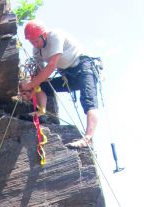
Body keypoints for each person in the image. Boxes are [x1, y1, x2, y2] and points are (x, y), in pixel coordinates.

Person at [20, 20, 99, 149]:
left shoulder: (55, 36)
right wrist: (32, 91)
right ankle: (41, 113)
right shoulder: (36, 50)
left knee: (88, 101)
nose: (34, 44)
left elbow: (51, 66)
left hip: (83, 67)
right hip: (67, 75)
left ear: (43, 35)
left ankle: (88, 138)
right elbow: (39, 74)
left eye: (36, 41)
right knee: (44, 86)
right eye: (31, 42)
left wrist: (29, 85)